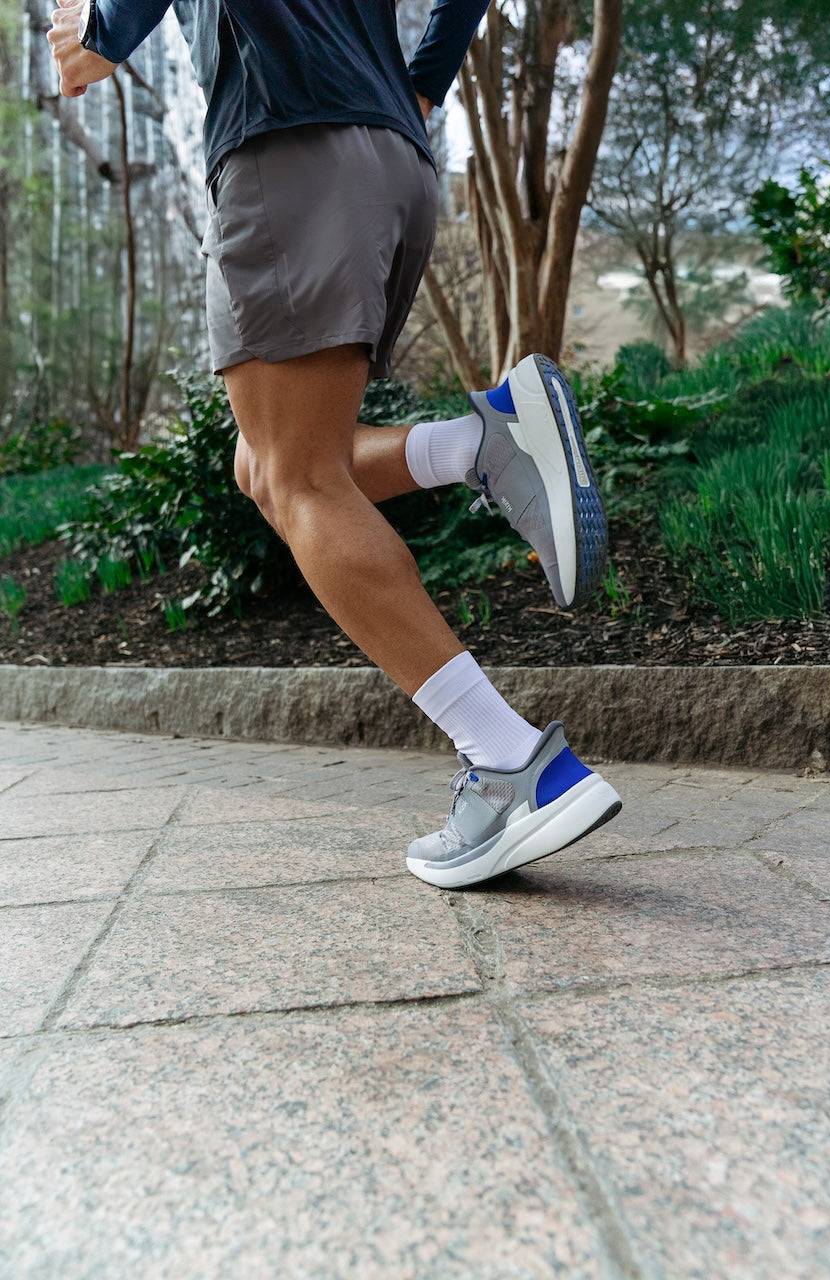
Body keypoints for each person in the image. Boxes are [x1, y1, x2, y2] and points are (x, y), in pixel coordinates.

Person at [48, 0, 622, 889]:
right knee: (263, 466)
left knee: (299, 481)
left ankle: (513, 763)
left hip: (288, 149)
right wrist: (421, 85)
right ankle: (479, 444)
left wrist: (102, 36)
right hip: (393, 157)